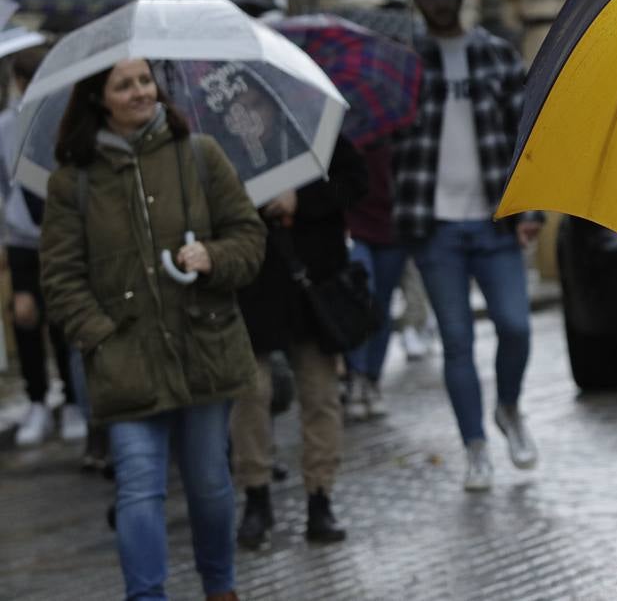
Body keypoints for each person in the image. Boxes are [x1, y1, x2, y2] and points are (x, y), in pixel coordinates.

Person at [40, 58, 266, 601]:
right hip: (125, 361)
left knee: (210, 484)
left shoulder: (200, 156)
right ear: (100, 98)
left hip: (203, 347)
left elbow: (249, 238)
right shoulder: (74, 181)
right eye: (125, 84)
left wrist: (212, 256)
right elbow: (60, 277)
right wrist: (101, 337)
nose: (141, 92)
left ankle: (220, 588)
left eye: (145, 81)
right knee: (139, 488)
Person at [391, 0, 543, 491]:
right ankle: (475, 447)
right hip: (434, 226)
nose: (438, 0)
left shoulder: (495, 52)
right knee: (456, 342)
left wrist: (531, 208)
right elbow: (387, 136)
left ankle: (508, 408)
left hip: (494, 218)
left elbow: (526, 134)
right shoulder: (406, 61)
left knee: (516, 327)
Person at [230, 132, 366, 549]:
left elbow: (356, 184)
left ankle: (320, 497)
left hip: (313, 284)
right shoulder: (224, 138)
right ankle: (256, 494)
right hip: (252, 286)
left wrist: (301, 200)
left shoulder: (317, 127)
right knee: (251, 394)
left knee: (320, 395)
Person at [1, 44, 86, 447]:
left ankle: (71, 400)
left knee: (63, 317)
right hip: (22, 237)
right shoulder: (5, 126)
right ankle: (37, 399)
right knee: (25, 315)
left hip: (64, 233)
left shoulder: (64, 119)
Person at [342, 140, 406, 420]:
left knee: (382, 306)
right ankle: (356, 374)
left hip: (392, 227)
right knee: (359, 299)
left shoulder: (396, 125)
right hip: (354, 227)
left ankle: (372, 378)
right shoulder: (343, 131)